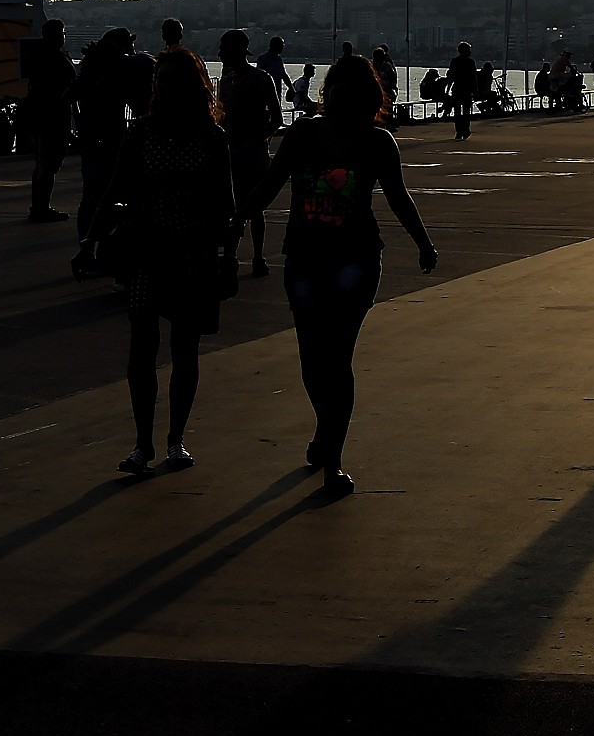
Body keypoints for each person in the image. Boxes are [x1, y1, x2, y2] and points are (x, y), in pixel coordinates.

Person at [237, 55, 439, 498]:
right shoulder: (304, 135)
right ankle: (328, 434)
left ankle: (333, 458)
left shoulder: (377, 143)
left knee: (332, 356)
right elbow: (269, 184)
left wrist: (423, 242)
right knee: (317, 359)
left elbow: (399, 198)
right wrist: (236, 221)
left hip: (353, 261)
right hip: (311, 260)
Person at [99, 48, 234, 475]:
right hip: (147, 250)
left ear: (195, 88)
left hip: (193, 253)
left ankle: (175, 438)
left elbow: (225, 205)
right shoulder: (140, 133)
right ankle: (143, 442)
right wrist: (95, 235)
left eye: (176, 81)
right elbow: (116, 185)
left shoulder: (214, 139)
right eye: (163, 81)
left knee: (184, 349)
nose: (167, 88)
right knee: (142, 348)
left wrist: (225, 255)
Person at [73, 28, 140, 276]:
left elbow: (70, 96)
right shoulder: (118, 72)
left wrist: (79, 126)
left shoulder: (88, 71)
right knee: (114, 196)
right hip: (112, 141)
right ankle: (102, 250)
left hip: (92, 141)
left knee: (91, 197)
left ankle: (88, 247)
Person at [218, 29, 280, 277]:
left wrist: (257, 141)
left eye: (224, 49)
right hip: (232, 151)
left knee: (254, 206)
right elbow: (222, 118)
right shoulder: (227, 81)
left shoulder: (262, 79)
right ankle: (231, 255)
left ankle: (257, 255)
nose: (220, 54)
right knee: (231, 206)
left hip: (253, 153)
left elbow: (276, 119)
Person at [22, 18, 76, 223]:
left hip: (38, 115)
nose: (64, 36)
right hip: (54, 117)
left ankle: (38, 205)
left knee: (42, 163)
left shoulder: (37, 58)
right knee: (49, 164)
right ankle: (41, 208)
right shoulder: (58, 60)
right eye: (62, 32)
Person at [447, 42, 478, 140]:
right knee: (465, 112)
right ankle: (464, 130)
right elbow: (474, 77)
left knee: (458, 112)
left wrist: (448, 89)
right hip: (465, 90)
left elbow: (451, 76)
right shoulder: (470, 62)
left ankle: (460, 131)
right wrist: (475, 90)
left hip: (457, 89)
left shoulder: (455, 61)